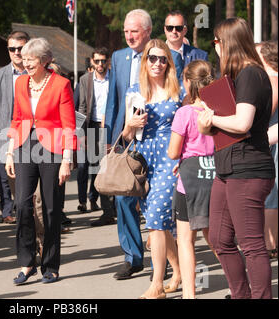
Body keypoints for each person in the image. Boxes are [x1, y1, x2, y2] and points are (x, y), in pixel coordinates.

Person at [104, 9, 183, 281]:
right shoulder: (118, 57)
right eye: (125, 31)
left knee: (157, 215)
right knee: (125, 199)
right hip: (133, 147)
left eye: (134, 31)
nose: (128, 36)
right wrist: (110, 140)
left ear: (147, 31)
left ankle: (160, 272)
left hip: (166, 155)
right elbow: (114, 103)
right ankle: (132, 257)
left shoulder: (162, 56)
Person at [198, 17, 275, 299]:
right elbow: (225, 125)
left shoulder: (251, 74)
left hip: (249, 169)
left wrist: (214, 118)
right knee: (219, 238)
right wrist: (207, 123)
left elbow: (243, 123)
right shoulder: (234, 78)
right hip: (228, 169)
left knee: (252, 245)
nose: (215, 48)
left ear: (227, 42)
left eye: (216, 42)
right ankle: (241, 295)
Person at [5, 38, 76, 285]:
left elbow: (69, 125)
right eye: (23, 59)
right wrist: (9, 152)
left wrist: (67, 159)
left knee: (50, 207)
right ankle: (27, 263)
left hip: (52, 149)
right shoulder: (20, 82)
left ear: (45, 60)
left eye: (31, 60)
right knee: (23, 205)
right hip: (24, 145)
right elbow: (16, 118)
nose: (25, 64)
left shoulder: (61, 84)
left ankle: (51, 265)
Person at [121, 39, 183, 299]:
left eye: (162, 58)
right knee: (159, 222)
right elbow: (127, 135)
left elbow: (188, 125)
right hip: (145, 160)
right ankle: (179, 271)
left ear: (169, 62)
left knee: (156, 220)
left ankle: (157, 284)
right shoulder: (135, 92)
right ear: (145, 61)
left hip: (170, 157)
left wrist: (185, 156)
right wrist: (130, 124)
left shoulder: (178, 92)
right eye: (152, 58)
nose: (157, 63)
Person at [167, 60, 216, 298]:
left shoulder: (185, 112)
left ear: (187, 82)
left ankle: (189, 293)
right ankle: (241, 280)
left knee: (186, 240)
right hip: (214, 175)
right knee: (217, 239)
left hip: (189, 180)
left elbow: (174, 152)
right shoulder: (219, 110)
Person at [0, 31, 31, 224]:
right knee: (16, 191)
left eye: (21, 48)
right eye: (12, 48)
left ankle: (38, 230)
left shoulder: (41, 73)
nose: (17, 52)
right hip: (7, 142)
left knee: (34, 193)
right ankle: (25, 228)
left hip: (37, 140)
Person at [76, 47, 116, 226]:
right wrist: (80, 133)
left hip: (110, 126)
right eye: (97, 61)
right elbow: (81, 108)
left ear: (107, 61)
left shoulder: (114, 78)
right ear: (92, 61)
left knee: (109, 167)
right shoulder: (85, 80)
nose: (100, 64)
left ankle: (110, 208)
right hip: (91, 125)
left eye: (103, 61)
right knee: (94, 168)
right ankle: (98, 203)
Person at [256, 40, 278, 259]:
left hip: (272, 142)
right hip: (271, 141)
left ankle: (270, 245)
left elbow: (266, 116)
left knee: (273, 193)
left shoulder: (273, 80)